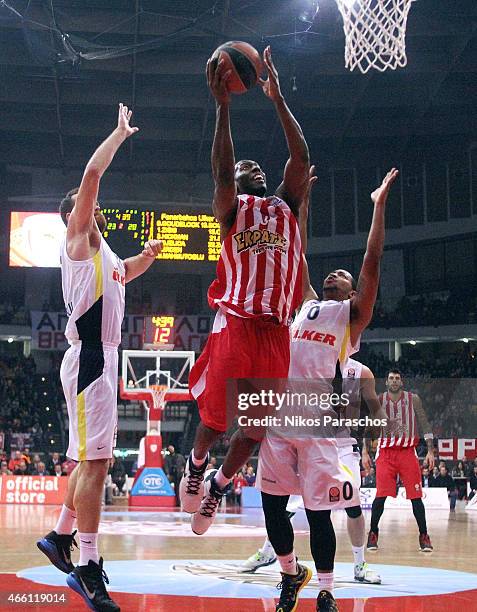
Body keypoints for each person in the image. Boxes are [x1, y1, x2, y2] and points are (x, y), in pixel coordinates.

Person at [251, 165, 397, 612]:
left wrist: (378, 208)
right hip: (280, 415)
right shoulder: (307, 305)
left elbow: (371, 263)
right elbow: (296, 253)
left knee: (318, 514)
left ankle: (328, 591)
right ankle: (290, 573)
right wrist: (304, 203)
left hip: (317, 424)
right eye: (330, 274)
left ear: (353, 291)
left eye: (342, 275)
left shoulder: (351, 318)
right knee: (273, 509)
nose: (333, 276)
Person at [37, 103, 162, 612]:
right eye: (82, 204)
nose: (91, 204)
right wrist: (118, 134)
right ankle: (87, 566)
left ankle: (60, 536)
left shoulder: (105, 255)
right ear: (73, 215)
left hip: (103, 357)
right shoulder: (77, 241)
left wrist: (147, 258)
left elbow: (122, 276)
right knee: (96, 462)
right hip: (90, 357)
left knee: (95, 460)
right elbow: (91, 173)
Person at [181, 46, 310, 535]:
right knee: (215, 421)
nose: (253, 167)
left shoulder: (285, 206)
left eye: (258, 167)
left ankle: (218, 486)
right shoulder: (231, 210)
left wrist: (277, 98)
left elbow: (301, 157)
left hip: (276, 332)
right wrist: (223, 108)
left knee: (252, 429)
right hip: (237, 323)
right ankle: (195, 466)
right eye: (244, 167)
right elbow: (221, 170)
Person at [365, 369, 435, 553]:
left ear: (401, 382)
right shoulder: (379, 400)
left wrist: (430, 451)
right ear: (386, 382)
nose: (394, 381)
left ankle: (424, 536)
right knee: (380, 496)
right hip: (386, 453)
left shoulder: (414, 399)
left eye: (397, 378)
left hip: (407, 452)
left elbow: (425, 423)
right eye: (391, 378)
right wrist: (365, 452)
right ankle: (373, 533)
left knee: (416, 497)